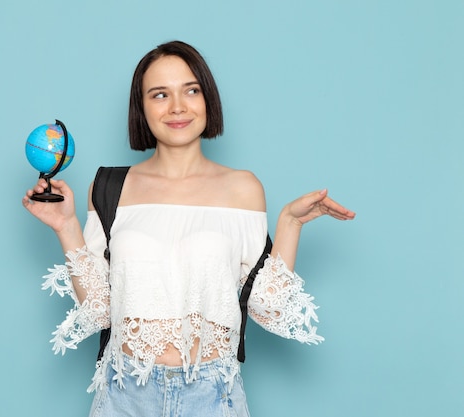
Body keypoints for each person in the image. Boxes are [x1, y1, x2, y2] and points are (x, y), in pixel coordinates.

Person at [22, 40, 355, 417]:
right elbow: (100, 313)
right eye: (160, 94)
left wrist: (290, 223)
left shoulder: (243, 188)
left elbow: (269, 310)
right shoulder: (109, 187)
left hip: (212, 397)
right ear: (141, 108)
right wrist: (66, 226)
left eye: (190, 90)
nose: (177, 107)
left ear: (207, 99)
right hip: (124, 396)